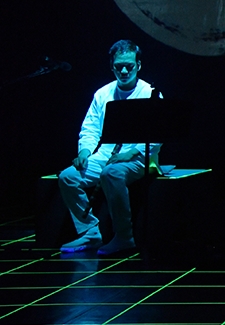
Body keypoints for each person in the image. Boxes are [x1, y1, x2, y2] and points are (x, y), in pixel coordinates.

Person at [58, 40, 162, 254]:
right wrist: (84, 152)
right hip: (106, 154)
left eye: (129, 66)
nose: (124, 71)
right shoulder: (102, 94)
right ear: (112, 66)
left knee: (112, 173)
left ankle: (124, 236)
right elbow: (90, 128)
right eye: (118, 66)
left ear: (138, 65)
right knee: (68, 177)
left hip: (140, 157)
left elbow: (158, 134)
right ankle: (90, 231)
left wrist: (131, 152)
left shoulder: (150, 93)